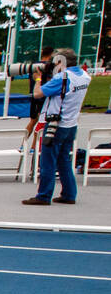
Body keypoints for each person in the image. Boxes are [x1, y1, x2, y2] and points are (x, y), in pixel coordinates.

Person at [24, 47, 91, 206]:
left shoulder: (62, 78)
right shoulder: (85, 76)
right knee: (64, 161)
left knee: (47, 161)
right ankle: (69, 194)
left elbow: (38, 94)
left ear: (61, 62)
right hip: (71, 124)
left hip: (56, 124)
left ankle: (44, 196)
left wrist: (39, 79)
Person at [23, 46, 55, 151]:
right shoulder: (49, 66)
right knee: (41, 122)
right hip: (43, 96)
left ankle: (23, 144)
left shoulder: (33, 65)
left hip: (34, 94)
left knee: (32, 121)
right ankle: (33, 146)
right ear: (50, 55)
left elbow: (30, 80)